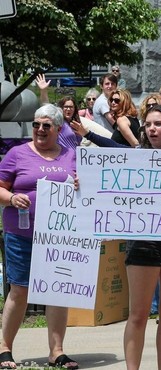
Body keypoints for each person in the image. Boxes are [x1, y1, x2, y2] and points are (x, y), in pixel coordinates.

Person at [71, 104, 161, 370]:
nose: (151, 129)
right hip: (142, 244)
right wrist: (86, 184)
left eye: (158, 124)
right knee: (137, 315)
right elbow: (108, 159)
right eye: (148, 124)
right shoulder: (135, 157)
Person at [0, 104, 79, 370]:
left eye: (46, 125)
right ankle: (4, 348)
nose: (40, 130)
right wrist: (11, 198)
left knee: (57, 293)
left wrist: (82, 184)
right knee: (19, 290)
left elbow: (86, 187)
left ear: (58, 129)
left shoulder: (71, 155)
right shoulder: (17, 154)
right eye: (36, 124)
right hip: (21, 233)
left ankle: (56, 351)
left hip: (59, 236)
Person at [34, 74, 111, 148]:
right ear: (61, 108)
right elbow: (46, 107)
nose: (68, 109)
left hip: (75, 157)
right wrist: (43, 90)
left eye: (71, 107)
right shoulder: (60, 122)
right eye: (66, 107)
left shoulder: (76, 123)